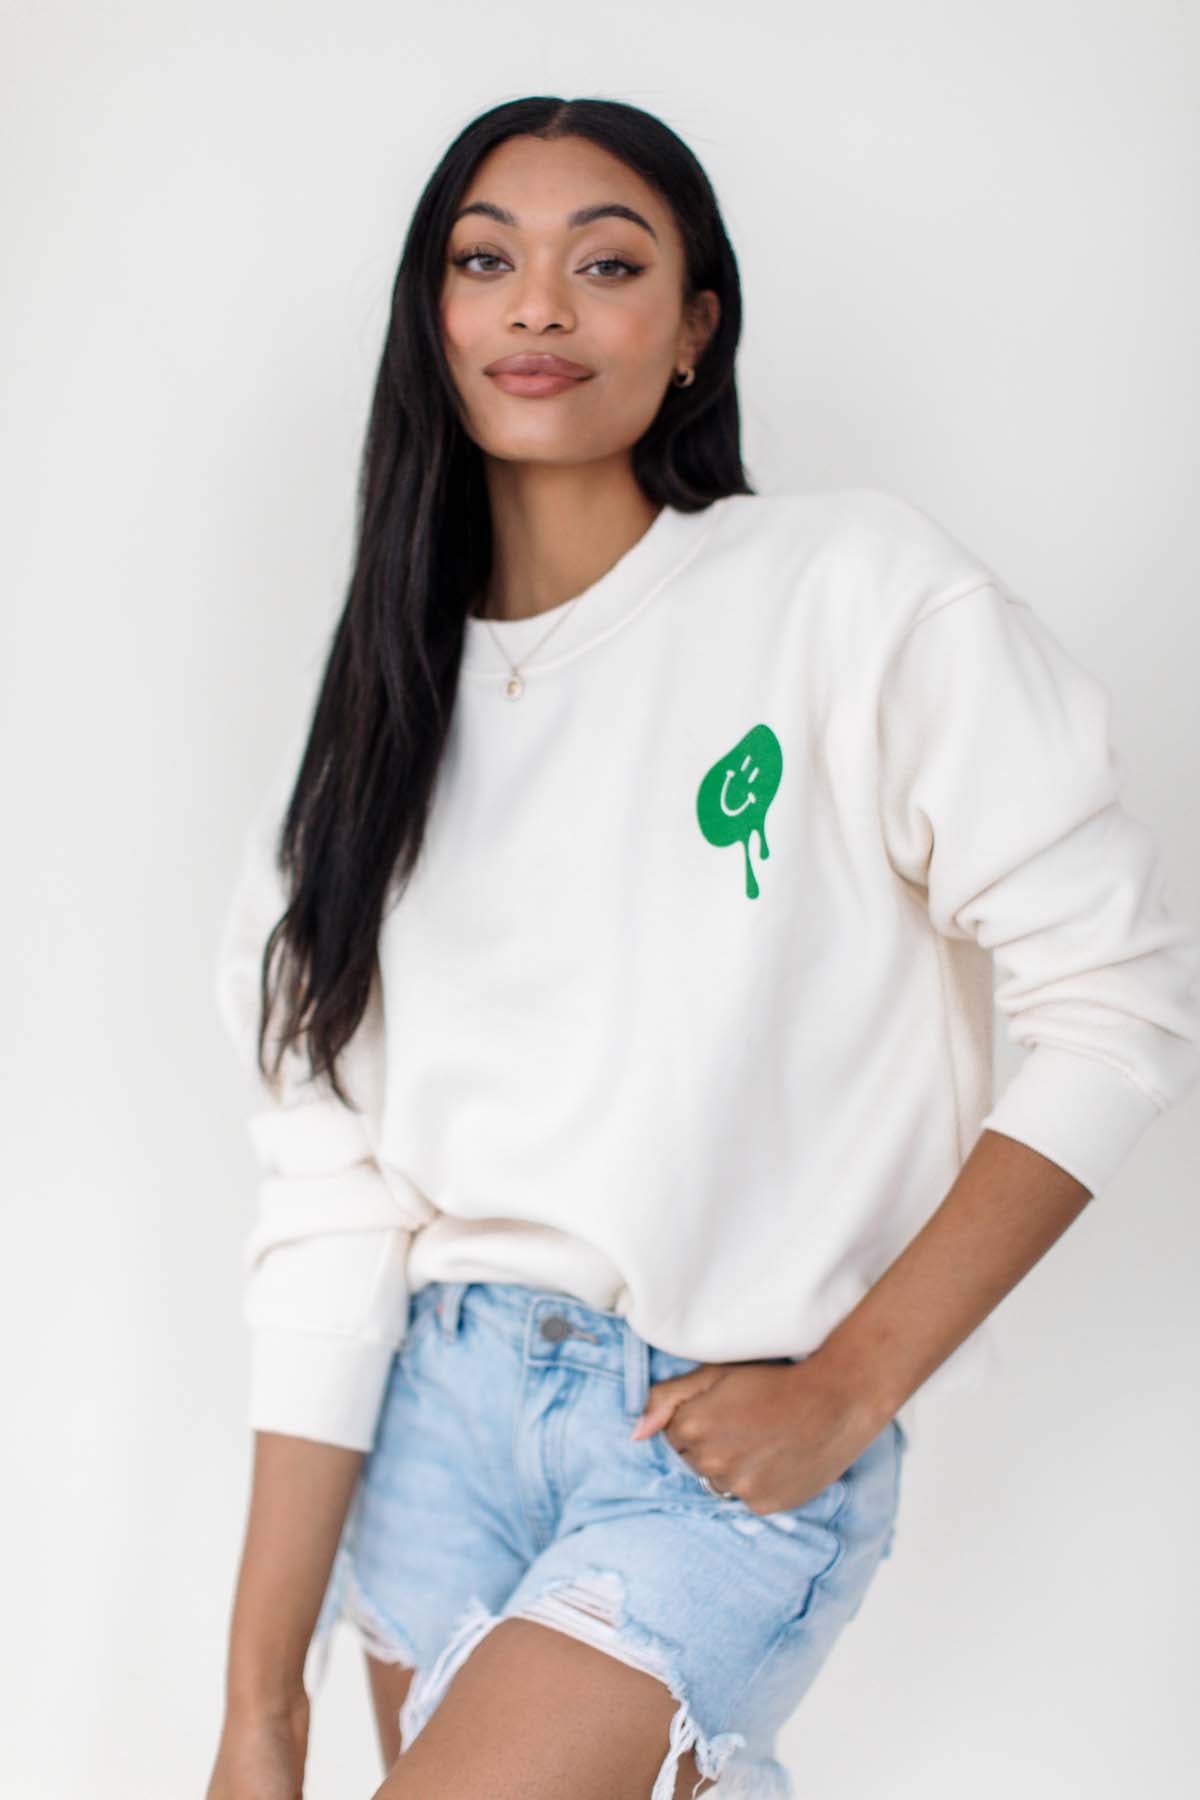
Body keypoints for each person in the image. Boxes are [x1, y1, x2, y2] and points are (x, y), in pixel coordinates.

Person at [204, 96, 1200, 1800]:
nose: (538, 304)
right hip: (432, 1439)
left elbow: (1119, 1003)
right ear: (430, 317)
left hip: (706, 1436)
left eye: (606, 264)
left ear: (693, 329)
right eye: (484, 261)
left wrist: (850, 1386)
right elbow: (332, 1210)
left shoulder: (846, 593)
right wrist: (259, 1708)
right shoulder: (369, 738)